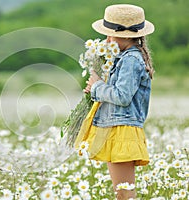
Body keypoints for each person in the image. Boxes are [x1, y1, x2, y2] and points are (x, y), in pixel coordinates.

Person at [75, 4, 155, 200]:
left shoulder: (130, 60)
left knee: (125, 194)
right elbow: (114, 92)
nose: (107, 40)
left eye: (111, 35)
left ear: (127, 36)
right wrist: (97, 87)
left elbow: (122, 96)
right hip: (115, 129)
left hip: (123, 131)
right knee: (121, 193)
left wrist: (97, 87)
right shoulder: (123, 58)